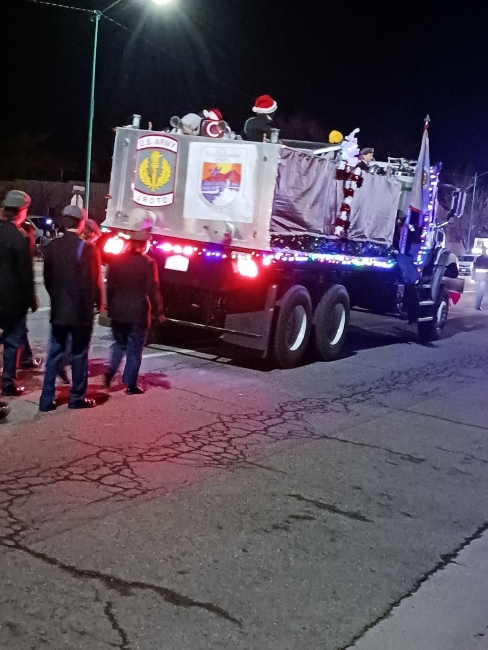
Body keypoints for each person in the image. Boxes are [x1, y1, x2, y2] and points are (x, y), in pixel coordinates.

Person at [39, 205, 102, 412]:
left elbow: (48, 279)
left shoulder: (52, 246)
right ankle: (76, 398)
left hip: (59, 309)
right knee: (79, 354)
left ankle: (46, 399)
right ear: (81, 223)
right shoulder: (87, 248)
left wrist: (57, 298)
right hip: (80, 312)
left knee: (54, 354)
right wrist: (94, 305)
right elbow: (92, 283)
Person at [104, 230, 164, 395]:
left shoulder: (116, 260)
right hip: (138, 311)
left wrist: (110, 306)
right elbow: (153, 289)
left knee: (119, 343)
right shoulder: (148, 263)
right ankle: (130, 384)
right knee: (135, 348)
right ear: (144, 245)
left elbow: (110, 286)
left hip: (118, 310)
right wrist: (159, 312)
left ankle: (110, 370)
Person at [0, 191, 37, 396]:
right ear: (21, 211)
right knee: (13, 340)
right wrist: (31, 299)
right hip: (13, 300)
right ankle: (8, 383)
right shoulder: (19, 237)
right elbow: (25, 273)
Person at [57, 217, 102, 385]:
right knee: (80, 343)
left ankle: (62, 363)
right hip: (83, 304)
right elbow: (95, 280)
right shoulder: (89, 249)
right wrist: (98, 301)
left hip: (64, 301)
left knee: (67, 339)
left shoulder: (66, 246)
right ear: (89, 233)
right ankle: (68, 368)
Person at [18, 219, 42, 369]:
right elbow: (26, 276)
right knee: (17, 329)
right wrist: (31, 299)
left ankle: (25, 356)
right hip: (16, 296)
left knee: (18, 329)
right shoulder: (23, 247)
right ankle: (25, 358)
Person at [472, 245, 488, 310]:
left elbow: (474, 267)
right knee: (481, 291)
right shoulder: (487, 258)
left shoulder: (477, 258)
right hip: (484, 276)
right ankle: (478, 305)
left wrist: (473, 276)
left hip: (478, 275)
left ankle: (477, 305)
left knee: (478, 290)